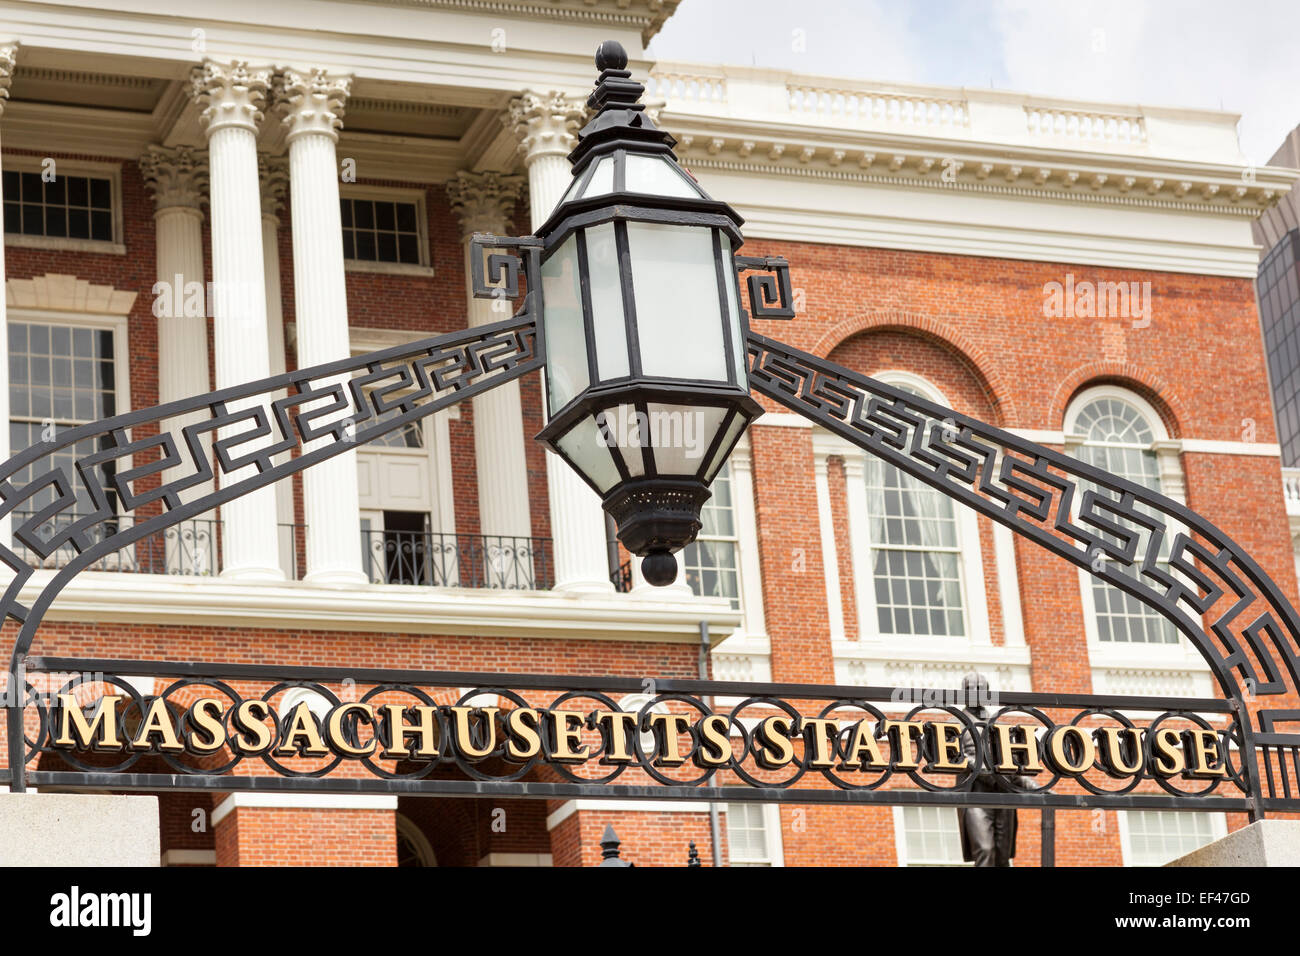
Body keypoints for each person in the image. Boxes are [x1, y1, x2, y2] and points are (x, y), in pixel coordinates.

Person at [956, 671, 1024, 867]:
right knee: (985, 850)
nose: (976, 693)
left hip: (1003, 793)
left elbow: (1010, 761)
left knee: (1002, 856)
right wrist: (984, 770)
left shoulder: (998, 722)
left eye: (981, 689)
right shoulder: (957, 722)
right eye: (971, 689)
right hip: (976, 794)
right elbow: (957, 755)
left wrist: (1034, 785)